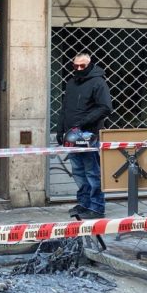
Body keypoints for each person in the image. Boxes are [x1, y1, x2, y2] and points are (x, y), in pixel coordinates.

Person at [55, 51, 113, 220]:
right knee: (79, 171)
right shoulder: (72, 83)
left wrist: (83, 122)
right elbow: (65, 108)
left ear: (89, 65)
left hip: (88, 135)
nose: (79, 69)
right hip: (71, 136)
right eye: (76, 66)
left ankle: (96, 207)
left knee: (92, 172)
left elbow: (105, 107)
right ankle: (84, 203)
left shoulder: (98, 83)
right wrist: (61, 130)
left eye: (83, 66)